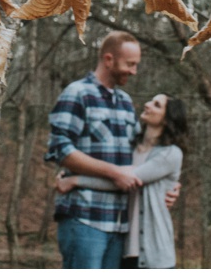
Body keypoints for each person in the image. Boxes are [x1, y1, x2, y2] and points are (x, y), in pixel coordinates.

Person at [44, 31, 144, 268]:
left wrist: (169, 186)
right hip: (84, 218)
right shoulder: (78, 93)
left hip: (120, 223)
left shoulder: (126, 103)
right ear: (108, 60)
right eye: (130, 64)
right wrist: (114, 172)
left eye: (136, 65)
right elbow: (60, 149)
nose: (134, 71)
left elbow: (143, 154)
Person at [56, 94, 187, 269]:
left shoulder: (170, 153)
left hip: (154, 253)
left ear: (167, 118)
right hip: (123, 247)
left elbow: (122, 180)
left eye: (156, 105)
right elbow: (108, 171)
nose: (147, 105)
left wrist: (76, 180)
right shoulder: (130, 147)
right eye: (150, 101)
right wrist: (69, 171)